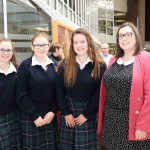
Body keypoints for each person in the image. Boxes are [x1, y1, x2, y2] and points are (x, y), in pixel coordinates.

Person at [98, 22, 150, 150]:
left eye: (128, 34)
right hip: (111, 120)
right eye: (120, 36)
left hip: (132, 121)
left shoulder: (146, 58)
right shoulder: (114, 59)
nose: (124, 38)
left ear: (136, 36)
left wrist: (143, 126)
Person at [56, 28, 106, 150]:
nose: (79, 45)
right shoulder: (65, 64)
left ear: (89, 42)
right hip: (68, 113)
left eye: (82, 41)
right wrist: (66, 113)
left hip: (88, 114)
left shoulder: (99, 65)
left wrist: (87, 115)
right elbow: (59, 90)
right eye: (75, 42)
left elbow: (99, 94)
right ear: (72, 45)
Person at [16, 32, 59, 149]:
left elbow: (59, 92)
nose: (41, 48)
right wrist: (34, 116)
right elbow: (21, 94)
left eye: (44, 45)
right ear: (32, 47)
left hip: (49, 117)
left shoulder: (56, 65)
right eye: (37, 45)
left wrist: (53, 111)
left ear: (49, 45)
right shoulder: (25, 66)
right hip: (30, 117)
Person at [0, 37, 21, 149]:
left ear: (12, 52)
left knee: (16, 146)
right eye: (2, 49)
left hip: (16, 116)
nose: (5, 53)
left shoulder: (18, 70)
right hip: (0, 117)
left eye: (8, 50)